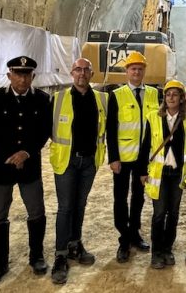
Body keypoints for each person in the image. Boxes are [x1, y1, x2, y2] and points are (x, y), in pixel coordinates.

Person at [0, 56, 52, 287]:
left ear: (33, 76)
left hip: (29, 165)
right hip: (1, 167)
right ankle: (0, 263)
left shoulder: (42, 100)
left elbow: (44, 131)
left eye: (27, 74)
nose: (22, 78)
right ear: (9, 75)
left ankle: (36, 256)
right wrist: (8, 156)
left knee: (36, 211)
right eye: (18, 74)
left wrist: (26, 153)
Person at [49, 58, 108, 284]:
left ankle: (75, 243)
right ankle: (60, 255)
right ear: (72, 73)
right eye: (78, 70)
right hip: (66, 162)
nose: (82, 73)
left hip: (89, 163)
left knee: (80, 205)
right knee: (65, 207)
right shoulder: (58, 99)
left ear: (91, 74)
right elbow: (47, 130)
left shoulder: (102, 99)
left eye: (86, 70)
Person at [106, 51, 160, 262]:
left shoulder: (155, 94)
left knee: (138, 197)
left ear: (144, 71)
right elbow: (111, 129)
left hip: (144, 159)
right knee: (120, 198)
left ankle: (135, 232)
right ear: (126, 71)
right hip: (123, 157)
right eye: (133, 68)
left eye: (140, 68)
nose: (136, 72)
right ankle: (124, 237)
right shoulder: (117, 95)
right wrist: (113, 158)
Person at [137, 80, 186, 269]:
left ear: (182, 98)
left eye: (175, 94)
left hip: (177, 174)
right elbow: (145, 146)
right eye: (168, 94)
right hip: (159, 173)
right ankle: (156, 252)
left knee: (173, 213)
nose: (171, 97)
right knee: (159, 213)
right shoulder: (153, 117)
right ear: (164, 98)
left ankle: (168, 248)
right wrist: (142, 171)